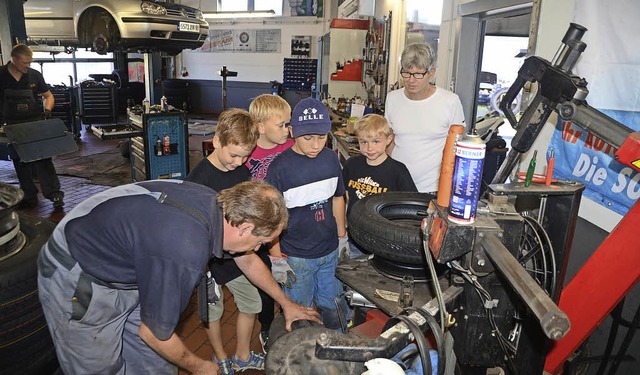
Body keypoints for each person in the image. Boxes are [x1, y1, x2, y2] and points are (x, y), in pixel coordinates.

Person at [37, 179, 321, 375]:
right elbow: (154, 333)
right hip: (81, 271)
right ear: (245, 228)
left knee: (155, 365)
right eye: (261, 242)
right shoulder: (185, 249)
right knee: (98, 367)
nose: (258, 249)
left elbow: (245, 257)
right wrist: (200, 366)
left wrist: (286, 303)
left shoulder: (220, 208)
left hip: (136, 264)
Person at [186, 108, 264, 374]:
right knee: (213, 312)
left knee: (252, 302)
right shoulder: (198, 180)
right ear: (217, 141)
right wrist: (203, 269)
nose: (238, 162)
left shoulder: (242, 172)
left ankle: (242, 356)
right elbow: (192, 229)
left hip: (235, 255)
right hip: (208, 261)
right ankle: (220, 356)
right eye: (233, 155)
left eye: (245, 156)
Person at [265, 97, 348, 331]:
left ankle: (337, 350)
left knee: (333, 305)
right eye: (307, 138)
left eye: (321, 137)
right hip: (296, 257)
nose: (315, 145)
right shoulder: (279, 168)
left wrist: (342, 238)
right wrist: (276, 257)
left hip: (330, 250)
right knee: (300, 312)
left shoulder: (331, 159)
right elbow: (271, 216)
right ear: (292, 132)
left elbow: (338, 198)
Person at [245, 94, 293, 351]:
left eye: (288, 123)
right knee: (265, 279)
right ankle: (266, 327)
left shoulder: (291, 146)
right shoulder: (248, 151)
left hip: (287, 223)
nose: (287, 130)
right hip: (259, 228)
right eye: (281, 125)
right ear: (261, 127)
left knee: (289, 273)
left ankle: (289, 318)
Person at [385, 42, 465, 194]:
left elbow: (457, 149)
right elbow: (389, 141)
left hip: (432, 190)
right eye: (407, 73)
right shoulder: (392, 99)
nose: (411, 80)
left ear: (431, 73)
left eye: (418, 74)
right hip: (396, 186)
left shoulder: (450, 101)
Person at [342, 114, 417, 258]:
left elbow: (410, 209)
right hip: (354, 239)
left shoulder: (398, 171)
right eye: (364, 142)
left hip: (383, 241)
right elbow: (344, 196)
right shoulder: (352, 164)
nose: (370, 148)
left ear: (388, 140)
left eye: (376, 141)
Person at [0, 44, 64, 208]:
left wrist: (48, 111)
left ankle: (54, 194)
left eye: (30, 62)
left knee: (43, 158)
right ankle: (28, 195)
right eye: (25, 63)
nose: (28, 66)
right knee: (20, 161)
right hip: (12, 124)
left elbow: (48, 96)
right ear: (14, 60)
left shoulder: (34, 75)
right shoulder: (1, 75)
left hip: (34, 122)